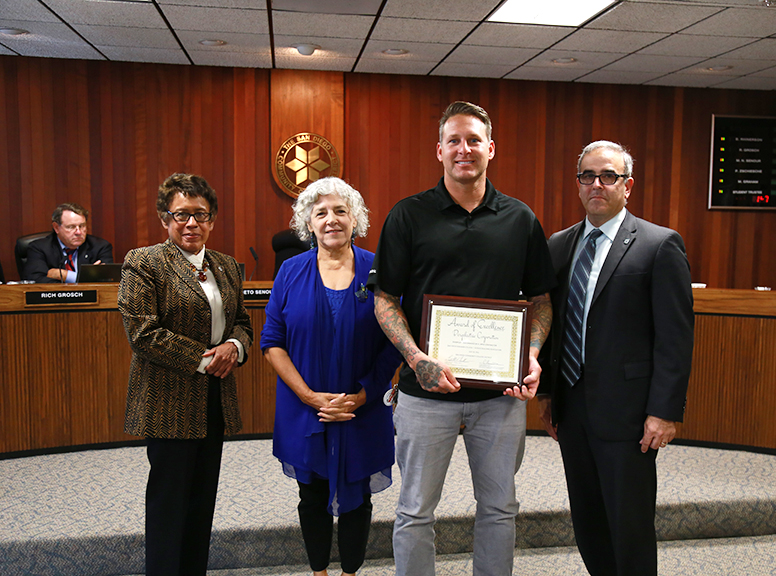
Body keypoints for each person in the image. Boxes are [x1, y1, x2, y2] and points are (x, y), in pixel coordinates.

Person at [368, 101, 556, 576]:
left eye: (474, 140)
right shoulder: (408, 215)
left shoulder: (520, 219)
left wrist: (530, 355)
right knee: (415, 512)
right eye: (454, 140)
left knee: (499, 509)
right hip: (424, 392)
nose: (464, 149)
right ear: (439, 150)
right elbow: (384, 298)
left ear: (490, 149)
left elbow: (541, 299)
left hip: (499, 396)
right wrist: (415, 358)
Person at [537, 141, 694, 576]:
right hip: (573, 410)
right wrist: (549, 395)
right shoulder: (559, 244)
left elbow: (675, 339)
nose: (596, 185)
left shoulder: (659, 245)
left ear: (628, 185)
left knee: (630, 525)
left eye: (608, 176)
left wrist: (663, 412)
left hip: (630, 416)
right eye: (587, 176)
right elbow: (553, 324)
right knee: (588, 521)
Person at [260, 177, 402, 576]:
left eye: (340, 210)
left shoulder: (379, 268)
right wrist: (310, 397)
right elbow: (272, 341)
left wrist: (359, 396)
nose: (331, 219)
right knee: (312, 493)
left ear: (355, 218)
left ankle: (350, 572)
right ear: (308, 222)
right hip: (306, 410)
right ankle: (319, 572)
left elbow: (394, 342)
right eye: (321, 212)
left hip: (364, 406)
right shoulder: (290, 271)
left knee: (358, 495)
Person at [118, 173, 252, 576]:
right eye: (181, 215)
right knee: (168, 504)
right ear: (165, 219)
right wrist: (206, 359)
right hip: (168, 401)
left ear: (212, 219)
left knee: (201, 502)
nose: (192, 223)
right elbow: (143, 332)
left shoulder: (226, 266)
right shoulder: (144, 262)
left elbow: (242, 321)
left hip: (214, 401)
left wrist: (236, 347)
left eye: (201, 214)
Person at [23, 202, 113, 283]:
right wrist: (88, 278)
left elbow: (108, 281)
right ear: (56, 228)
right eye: (71, 227)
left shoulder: (100, 247)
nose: (78, 232)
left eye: (82, 226)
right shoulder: (39, 248)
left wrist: (63, 275)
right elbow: (35, 281)